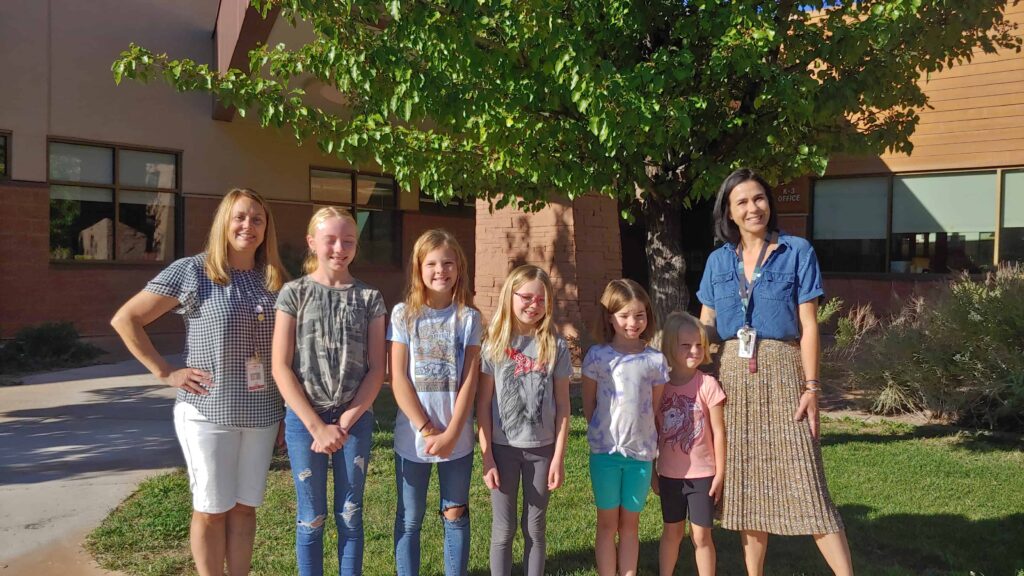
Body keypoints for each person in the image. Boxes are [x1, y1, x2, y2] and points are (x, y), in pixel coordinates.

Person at [110, 188, 287, 576]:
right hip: (208, 411)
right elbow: (126, 319)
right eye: (240, 217)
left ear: (266, 229)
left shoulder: (274, 279)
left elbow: (284, 352)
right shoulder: (192, 271)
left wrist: (286, 410)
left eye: (257, 219)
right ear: (224, 222)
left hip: (263, 414)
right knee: (211, 509)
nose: (248, 226)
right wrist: (164, 371)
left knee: (245, 508)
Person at [697, 168, 853, 576]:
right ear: (728, 213)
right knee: (747, 488)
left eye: (759, 198)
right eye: (742, 202)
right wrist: (684, 358)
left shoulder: (797, 251)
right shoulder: (717, 261)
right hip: (731, 377)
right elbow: (706, 324)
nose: (753, 208)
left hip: (783, 372)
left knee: (809, 483)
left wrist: (812, 387)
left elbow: (809, 325)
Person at [271, 207, 386, 576]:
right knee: (311, 517)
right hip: (305, 422)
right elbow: (280, 366)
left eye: (348, 241)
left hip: (355, 419)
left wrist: (346, 421)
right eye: (330, 240)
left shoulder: (370, 298)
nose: (339, 248)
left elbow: (377, 368)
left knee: (350, 514)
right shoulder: (294, 294)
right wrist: (317, 427)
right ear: (312, 242)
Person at [389, 229, 482, 576]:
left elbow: (470, 380)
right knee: (410, 518)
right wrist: (428, 429)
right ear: (418, 268)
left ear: (459, 268)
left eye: (448, 263)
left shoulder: (469, 318)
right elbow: (397, 377)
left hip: (457, 438)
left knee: (455, 513)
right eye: (431, 263)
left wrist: (452, 433)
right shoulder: (403, 314)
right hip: (413, 438)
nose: (440, 270)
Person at [477, 265, 572, 576]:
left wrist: (558, 457)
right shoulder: (493, 343)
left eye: (541, 299)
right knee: (503, 530)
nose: (534, 305)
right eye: (527, 297)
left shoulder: (555, 344)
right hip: (502, 449)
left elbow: (563, 406)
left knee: (535, 528)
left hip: (542, 451)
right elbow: (483, 404)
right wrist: (487, 456)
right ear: (510, 296)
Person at [582, 279, 668, 576]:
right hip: (605, 454)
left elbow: (654, 408)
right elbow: (589, 404)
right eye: (624, 316)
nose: (633, 322)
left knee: (631, 525)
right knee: (607, 524)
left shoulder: (655, 360)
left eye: (639, 315)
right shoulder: (597, 357)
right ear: (610, 317)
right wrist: (602, 433)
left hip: (640, 456)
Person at [652, 312, 726, 576]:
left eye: (699, 345)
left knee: (701, 536)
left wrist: (720, 473)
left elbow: (719, 432)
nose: (694, 351)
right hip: (669, 475)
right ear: (670, 347)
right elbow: (651, 432)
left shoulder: (708, 385)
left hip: (703, 475)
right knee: (671, 532)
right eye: (686, 345)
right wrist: (652, 472)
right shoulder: (658, 387)